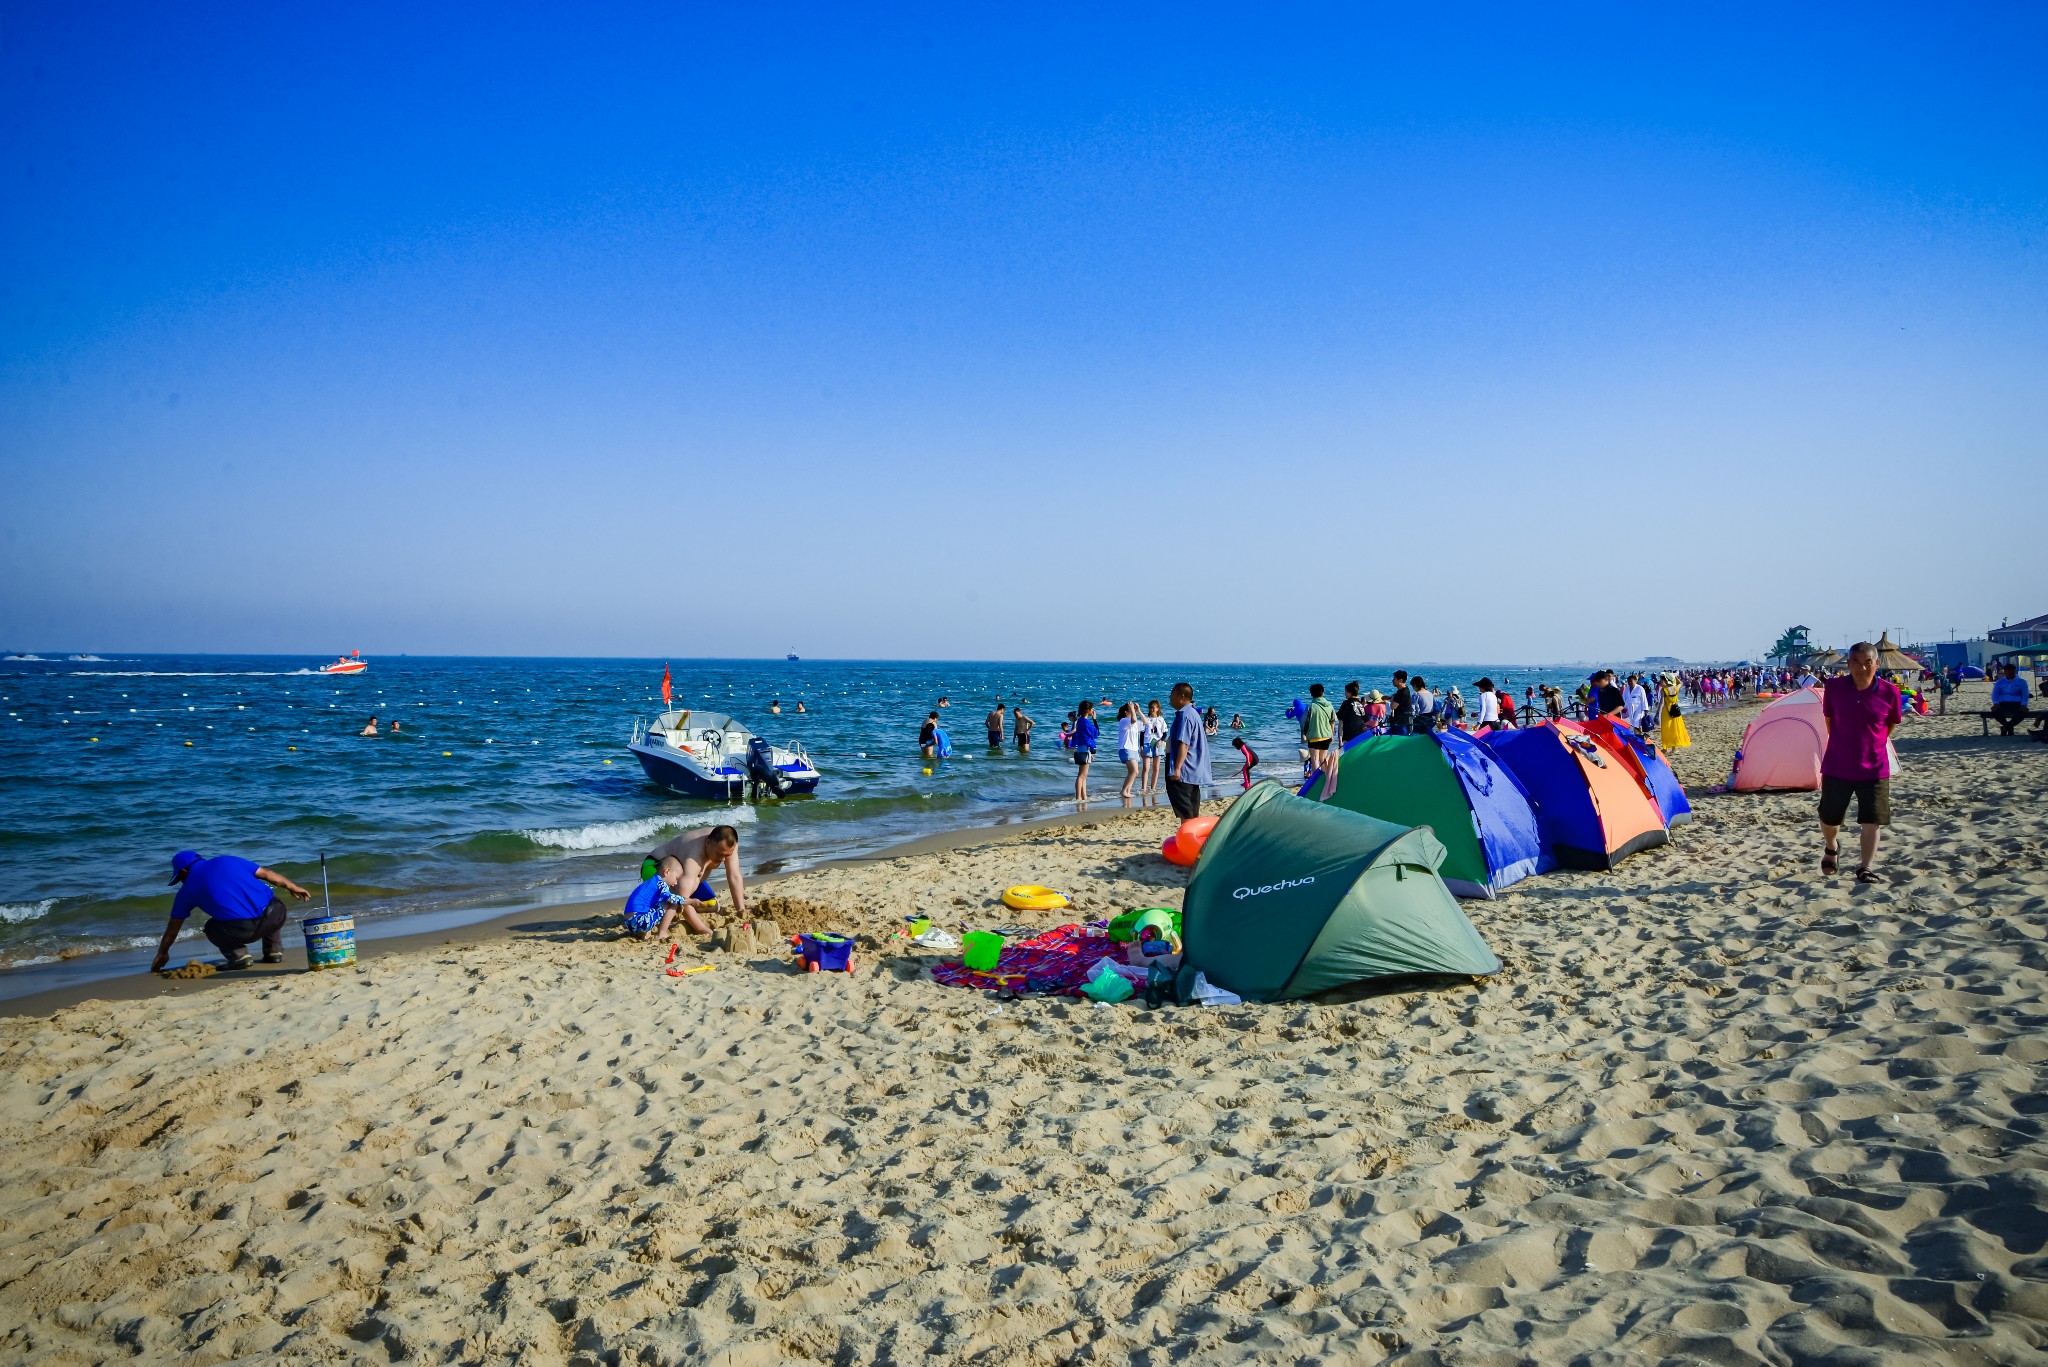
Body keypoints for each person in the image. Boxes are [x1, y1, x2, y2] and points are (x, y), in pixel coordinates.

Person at [1820, 643, 1903, 883]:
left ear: (1877, 664)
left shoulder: (1890, 692)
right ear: (1848, 664)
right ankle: (1831, 846)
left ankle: (1865, 868)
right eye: (1856, 661)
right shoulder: (1834, 688)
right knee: (1830, 816)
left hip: (1875, 766)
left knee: (1872, 819)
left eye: (1868, 662)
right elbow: (1829, 722)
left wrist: (1872, 742)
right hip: (1838, 763)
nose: (1862, 667)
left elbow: (1890, 725)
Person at [150, 850, 311, 972]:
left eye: (180, 879)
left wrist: (162, 953)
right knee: (270, 900)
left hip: (244, 930)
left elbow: (173, 928)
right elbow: (267, 874)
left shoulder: (186, 891)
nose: (181, 882)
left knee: (211, 928)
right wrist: (292, 886)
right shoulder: (227, 860)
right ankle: (273, 952)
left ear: (184, 872)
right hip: (277, 915)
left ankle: (239, 956)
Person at [643, 825, 749, 920]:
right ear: (708, 843)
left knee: (713, 905)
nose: (723, 859)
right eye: (720, 854)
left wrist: (741, 910)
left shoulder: (728, 844)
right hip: (654, 868)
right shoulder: (694, 857)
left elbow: (734, 876)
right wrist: (701, 929)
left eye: (727, 855)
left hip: (686, 880)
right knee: (673, 904)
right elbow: (682, 898)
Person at [622, 856, 713, 941]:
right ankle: (662, 932)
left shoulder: (652, 881)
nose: (676, 883)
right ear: (667, 872)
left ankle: (645, 932)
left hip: (629, 922)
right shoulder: (661, 883)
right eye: (676, 878)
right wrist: (691, 901)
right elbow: (671, 898)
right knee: (672, 902)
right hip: (639, 920)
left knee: (654, 903)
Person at [1166, 682, 1211, 820]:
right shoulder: (1192, 713)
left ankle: (1188, 840)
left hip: (1184, 771)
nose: (1170, 697)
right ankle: (1192, 839)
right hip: (1193, 770)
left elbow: (1184, 744)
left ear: (1182, 696)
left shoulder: (1186, 715)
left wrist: (1177, 768)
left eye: (1172, 693)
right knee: (1191, 811)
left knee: (1186, 813)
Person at [1301, 683, 1336, 769]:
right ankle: (1325, 778)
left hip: (1314, 737)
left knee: (1315, 760)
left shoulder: (1310, 707)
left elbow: (1305, 722)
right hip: (1327, 736)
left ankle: (1317, 781)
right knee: (1323, 759)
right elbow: (1333, 721)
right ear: (1323, 693)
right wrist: (1331, 734)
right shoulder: (1330, 705)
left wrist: (1303, 734)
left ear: (1311, 694)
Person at [1070, 699, 1099, 800]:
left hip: (1081, 748)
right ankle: (1079, 797)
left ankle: (1084, 796)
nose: (1093, 711)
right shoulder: (1085, 722)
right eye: (1092, 709)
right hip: (1084, 749)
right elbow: (1096, 733)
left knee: (1082, 775)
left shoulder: (1080, 721)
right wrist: (1095, 719)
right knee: (1082, 775)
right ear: (1088, 710)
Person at [1991, 664, 2033, 735]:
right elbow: (1995, 694)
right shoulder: (1999, 682)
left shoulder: (2021, 682)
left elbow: (2025, 694)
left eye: (2012, 671)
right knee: (1995, 711)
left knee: (2023, 712)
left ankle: (2006, 727)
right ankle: (2009, 727)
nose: (2010, 673)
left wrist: (2023, 705)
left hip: (2016, 703)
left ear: (2015, 671)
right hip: (2003, 703)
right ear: (2005, 672)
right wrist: (1996, 703)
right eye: (2008, 671)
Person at [1115, 701, 1145, 800]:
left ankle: (1128, 790)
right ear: (1125, 712)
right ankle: (1123, 791)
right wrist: (1132, 709)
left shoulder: (1134, 722)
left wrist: (1138, 710)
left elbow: (1145, 722)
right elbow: (1133, 720)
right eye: (1130, 710)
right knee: (1134, 771)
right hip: (1126, 748)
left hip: (1134, 749)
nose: (1133, 712)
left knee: (1135, 772)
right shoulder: (1123, 720)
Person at [1142, 699, 1168, 794]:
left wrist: (1161, 741)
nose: (1152, 709)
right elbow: (1142, 733)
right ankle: (1144, 788)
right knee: (1146, 767)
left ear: (1157, 708)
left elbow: (1165, 733)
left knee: (1156, 768)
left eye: (1154, 707)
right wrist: (1141, 746)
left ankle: (1153, 788)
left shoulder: (1161, 719)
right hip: (1147, 743)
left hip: (1158, 743)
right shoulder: (1146, 719)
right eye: (1151, 707)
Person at [1659, 675, 1690, 750]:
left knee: (1666, 729)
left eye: (1661, 680)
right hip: (1675, 710)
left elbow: (1662, 703)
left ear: (1665, 681)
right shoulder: (1675, 688)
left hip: (1667, 711)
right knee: (1674, 729)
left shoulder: (1663, 690)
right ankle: (1673, 748)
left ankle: (1665, 748)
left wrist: (1657, 713)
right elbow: (1680, 683)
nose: (1659, 681)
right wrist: (1674, 676)